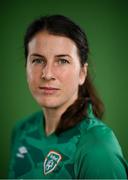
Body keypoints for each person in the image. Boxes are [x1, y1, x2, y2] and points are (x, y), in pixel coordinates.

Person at [8, 14, 128, 179]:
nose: (47, 74)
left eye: (62, 61)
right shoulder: (22, 131)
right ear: (26, 67)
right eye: (37, 60)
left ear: (82, 73)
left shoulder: (97, 147)